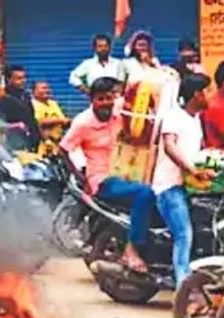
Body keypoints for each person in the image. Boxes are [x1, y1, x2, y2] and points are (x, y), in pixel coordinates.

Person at [58, 77, 157, 271]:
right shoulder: (82, 123)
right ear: (92, 100)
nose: (106, 103)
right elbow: (63, 150)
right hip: (102, 179)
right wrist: (81, 177)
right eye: (100, 99)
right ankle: (131, 250)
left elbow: (139, 97)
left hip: (129, 172)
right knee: (145, 194)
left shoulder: (119, 112)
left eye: (109, 98)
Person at [153, 72, 215, 287]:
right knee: (184, 235)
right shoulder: (173, 117)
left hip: (189, 188)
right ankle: (183, 289)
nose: (211, 95)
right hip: (169, 187)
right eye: (208, 91)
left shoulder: (195, 120)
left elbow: (195, 153)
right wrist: (192, 169)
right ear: (197, 94)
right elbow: (170, 146)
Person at [0, 65, 41, 152]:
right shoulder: (4, 100)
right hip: (14, 147)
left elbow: (32, 119)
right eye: (19, 79)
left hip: (31, 145)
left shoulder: (26, 97)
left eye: (24, 78)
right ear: (9, 80)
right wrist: (14, 126)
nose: (23, 81)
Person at [31, 80, 68, 155]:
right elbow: (38, 122)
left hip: (58, 145)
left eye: (48, 88)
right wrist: (59, 120)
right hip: (43, 145)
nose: (47, 90)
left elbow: (63, 121)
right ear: (34, 91)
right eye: (43, 88)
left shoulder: (53, 103)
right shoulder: (32, 104)